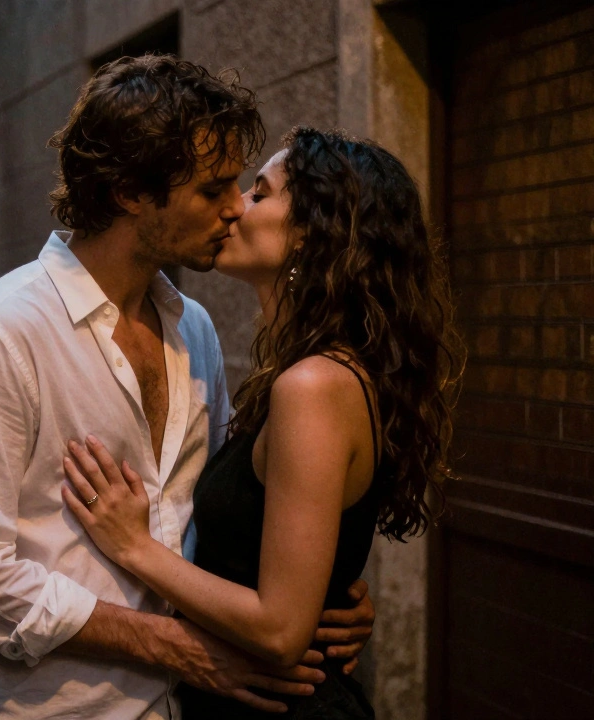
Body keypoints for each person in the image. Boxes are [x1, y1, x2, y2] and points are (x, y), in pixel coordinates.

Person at [0, 55, 375, 720]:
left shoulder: (197, 330)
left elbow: (222, 517)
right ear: (131, 190)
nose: (234, 209)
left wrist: (326, 598)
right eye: (212, 189)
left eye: (241, 187)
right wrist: (167, 644)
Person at [62, 128, 463, 718]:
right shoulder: (308, 372)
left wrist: (136, 547)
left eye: (259, 192)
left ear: (310, 232)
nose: (234, 208)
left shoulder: (314, 386)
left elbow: (280, 630)